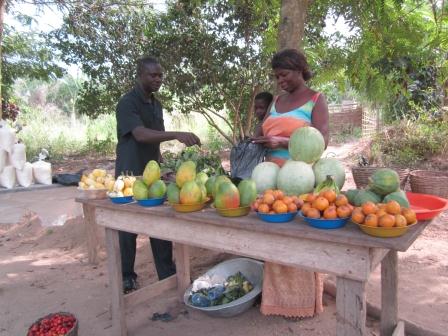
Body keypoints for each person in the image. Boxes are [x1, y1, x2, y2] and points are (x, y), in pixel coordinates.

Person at [253, 48, 329, 318]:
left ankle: (303, 303)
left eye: (283, 74)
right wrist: (258, 141)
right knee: (273, 242)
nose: (279, 80)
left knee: (299, 242)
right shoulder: (275, 101)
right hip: (271, 182)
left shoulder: (315, 99)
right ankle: (276, 300)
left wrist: (284, 142)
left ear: (299, 69)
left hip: (301, 180)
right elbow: (263, 130)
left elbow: (322, 140)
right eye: (276, 76)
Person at [115, 56, 201, 293]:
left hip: (152, 171)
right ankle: (126, 276)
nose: (158, 79)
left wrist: (164, 168)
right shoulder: (127, 103)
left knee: (160, 221)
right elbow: (141, 135)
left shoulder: (156, 104)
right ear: (140, 74)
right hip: (129, 172)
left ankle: (166, 272)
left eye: (160, 75)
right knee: (127, 228)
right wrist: (177, 134)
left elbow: (154, 140)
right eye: (153, 75)